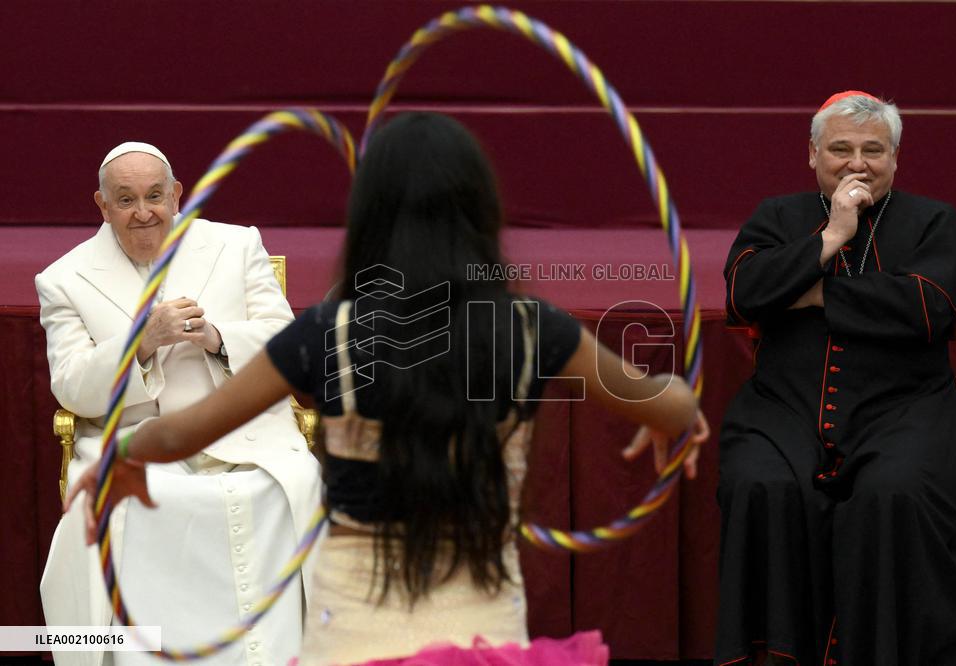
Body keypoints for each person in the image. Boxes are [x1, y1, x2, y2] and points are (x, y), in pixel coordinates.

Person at [67, 113, 711, 666]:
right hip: (484, 628)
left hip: (352, 634)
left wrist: (121, 457)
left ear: (367, 213)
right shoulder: (533, 330)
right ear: (481, 209)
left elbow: (183, 429)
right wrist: (671, 414)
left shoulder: (327, 333)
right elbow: (671, 400)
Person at [718, 91, 956, 665]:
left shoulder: (933, 221)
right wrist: (832, 236)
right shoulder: (777, 217)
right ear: (813, 155)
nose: (857, 163)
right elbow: (747, 293)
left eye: (874, 150)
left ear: (895, 158)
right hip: (783, 410)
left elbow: (928, 306)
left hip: (905, 412)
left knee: (890, 495)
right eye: (840, 149)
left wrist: (811, 291)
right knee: (759, 483)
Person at [37, 142, 323, 666]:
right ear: (101, 206)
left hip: (245, 437)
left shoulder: (235, 246)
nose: (143, 212)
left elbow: (290, 344)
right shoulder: (63, 279)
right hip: (139, 446)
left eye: (154, 196)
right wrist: (139, 344)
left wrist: (216, 336)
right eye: (125, 200)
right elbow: (73, 386)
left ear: (177, 195)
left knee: (292, 488)